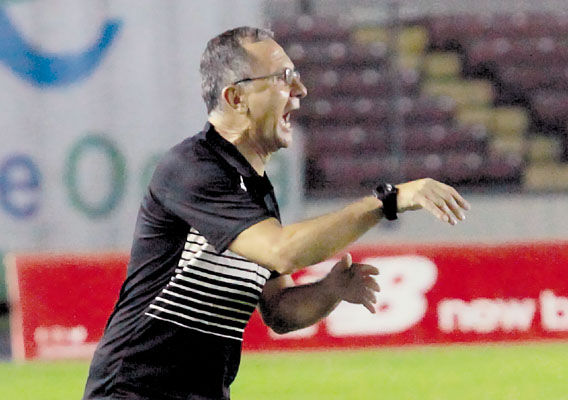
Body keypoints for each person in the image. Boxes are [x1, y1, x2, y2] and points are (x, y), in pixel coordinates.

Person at [82, 26, 470, 400]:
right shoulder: (193, 167)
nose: (300, 90)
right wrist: (388, 200)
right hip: (134, 389)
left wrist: (330, 291)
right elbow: (283, 251)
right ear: (236, 98)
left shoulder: (257, 191)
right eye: (284, 78)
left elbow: (280, 311)